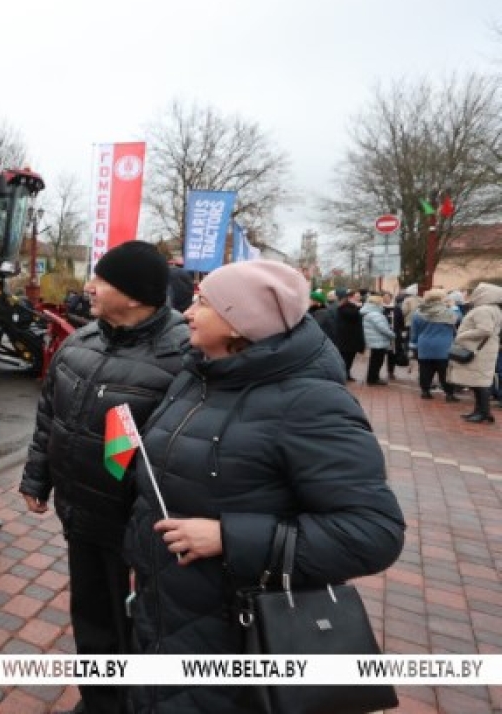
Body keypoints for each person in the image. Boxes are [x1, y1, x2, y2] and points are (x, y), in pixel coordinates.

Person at [124, 259, 406, 713]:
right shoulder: (199, 374)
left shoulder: (312, 403)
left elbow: (372, 533)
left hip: (240, 633)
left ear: (242, 322)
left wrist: (228, 537)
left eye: (204, 303)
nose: (188, 313)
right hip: (166, 607)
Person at [20, 240, 188, 714]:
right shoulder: (80, 341)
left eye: (102, 280)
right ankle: (99, 702)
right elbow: (50, 415)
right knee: (92, 619)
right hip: (81, 517)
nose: (89, 287)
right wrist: (37, 478)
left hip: (139, 531)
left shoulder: (183, 356)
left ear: (134, 296)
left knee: (138, 627)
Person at [447, 282, 502, 424]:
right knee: (480, 381)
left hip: (478, 350)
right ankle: (480, 411)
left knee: (480, 383)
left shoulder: (483, 310)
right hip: (484, 349)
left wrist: (462, 335)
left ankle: (483, 412)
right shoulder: (494, 309)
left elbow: (485, 330)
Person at [410, 288, 460, 401]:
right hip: (444, 346)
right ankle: (449, 394)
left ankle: (425, 391)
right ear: (441, 299)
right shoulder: (448, 312)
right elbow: (458, 318)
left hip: (424, 345)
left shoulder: (419, 312)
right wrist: (454, 306)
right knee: (445, 371)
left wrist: (413, 344)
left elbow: (414, 331)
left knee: (425, 369)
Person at [361, 293, 393, 385]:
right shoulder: (375, 314)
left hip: (374, 339)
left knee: (375, 360)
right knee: (377, 361)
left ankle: (373, 377)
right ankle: (373, 378)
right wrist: (392, 334)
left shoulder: (369, 312)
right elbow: (382, 328)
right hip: (378, 340)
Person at [334, 289, 365, 380]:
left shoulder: (353, 307)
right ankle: (343, 374)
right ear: (350, 297)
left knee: (351, 357)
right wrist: (357, 307)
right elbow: (351, 315)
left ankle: (347, 373)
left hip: (353, 337)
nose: (359, 298)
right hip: (346, 338)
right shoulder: (344, 307)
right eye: (356, 296)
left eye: (359, 296)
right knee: (345, 357)